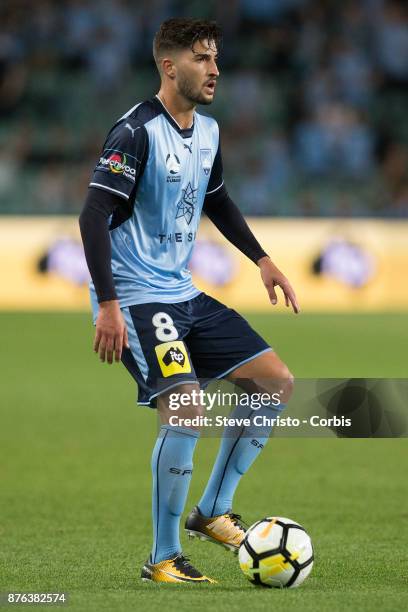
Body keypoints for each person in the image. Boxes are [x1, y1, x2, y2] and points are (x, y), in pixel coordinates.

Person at [79, 17, 299, 585]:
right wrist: (107, 304)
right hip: (135, 298)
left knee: (274, 380)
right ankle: (162, 556)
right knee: (186, 408)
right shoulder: (134, 132)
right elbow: (93, 215)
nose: (215, 70)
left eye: (217, 59)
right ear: (169, 66)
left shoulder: (209, 131)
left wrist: (262, 258)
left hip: (183, 293)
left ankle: (213, 511)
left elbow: (217, 197)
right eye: (203, 59)